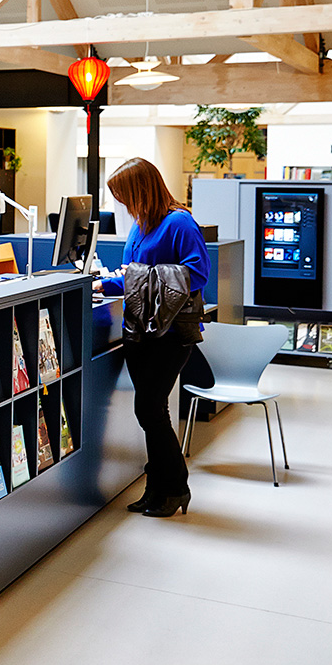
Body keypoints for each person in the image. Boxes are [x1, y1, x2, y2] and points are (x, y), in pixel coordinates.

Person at [94, 157, 210, 518]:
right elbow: (133, 276)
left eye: (125, 195)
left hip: (170, 334)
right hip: (140, 332)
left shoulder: (179, 222)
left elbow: (198, 273)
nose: (123, 204)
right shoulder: (139, 224)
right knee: (152, 412)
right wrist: (104, 285)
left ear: (141, 190)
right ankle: (157, 488)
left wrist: (140, 275)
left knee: (149, 410)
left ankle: (176, 487)